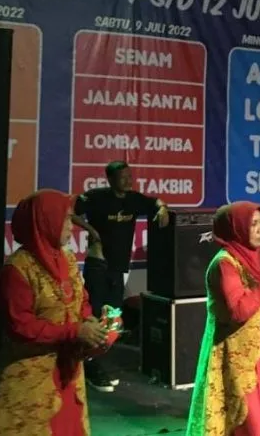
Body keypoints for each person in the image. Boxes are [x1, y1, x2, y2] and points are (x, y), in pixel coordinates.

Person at [0, 190, 109, 435]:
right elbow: (20, 326)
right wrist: (74, 331)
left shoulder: (68, 259)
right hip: (31, 384)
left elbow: (81, 300)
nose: (72, 226)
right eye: (66, 219)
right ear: (46, 221)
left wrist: (91, 323)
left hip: (67, 377)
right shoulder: (17, 270)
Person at [186, 201, 260, 436]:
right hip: (238, 359)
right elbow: (237, 311)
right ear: (236, 228)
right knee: (247, 423)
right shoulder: (224, 264)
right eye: (252, 224)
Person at [72, 161, 169, 391]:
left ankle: (91, 361)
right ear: (110, 179)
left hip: (118, 268)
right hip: (98, 265)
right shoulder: (96, 197)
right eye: (123, 177)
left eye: (130, 176)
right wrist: (91, 230)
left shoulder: (134, 199)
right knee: (95, 316)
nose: (128, 181)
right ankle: (88, 366)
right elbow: (69, 211)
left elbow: (155, 202)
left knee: (113, 318)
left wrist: (162, 209)